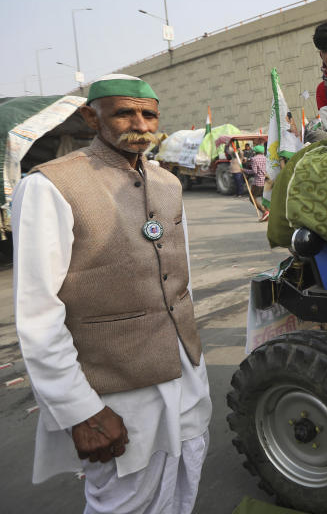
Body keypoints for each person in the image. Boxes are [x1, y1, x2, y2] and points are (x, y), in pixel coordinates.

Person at [12, 74, 212, 513]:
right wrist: (79, 410)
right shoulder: (50, 185)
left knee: (184, 479)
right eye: (125, 112)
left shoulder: (168, 183)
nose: (140, 122)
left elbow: (180, 280)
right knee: (123, 502)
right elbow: (38, 314)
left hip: (185, 377)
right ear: (91, 116)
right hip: (114, 392)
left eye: (149, 113)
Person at [244, 144, 269, 221]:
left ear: (255, 152)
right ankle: (268, 213)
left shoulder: (254, 159)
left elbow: (254, 171)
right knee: (263, 198)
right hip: (266, 181)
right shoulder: (266, 158)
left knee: (252, 198)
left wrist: (244, 170)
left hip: (258, 182)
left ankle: (264, 212)